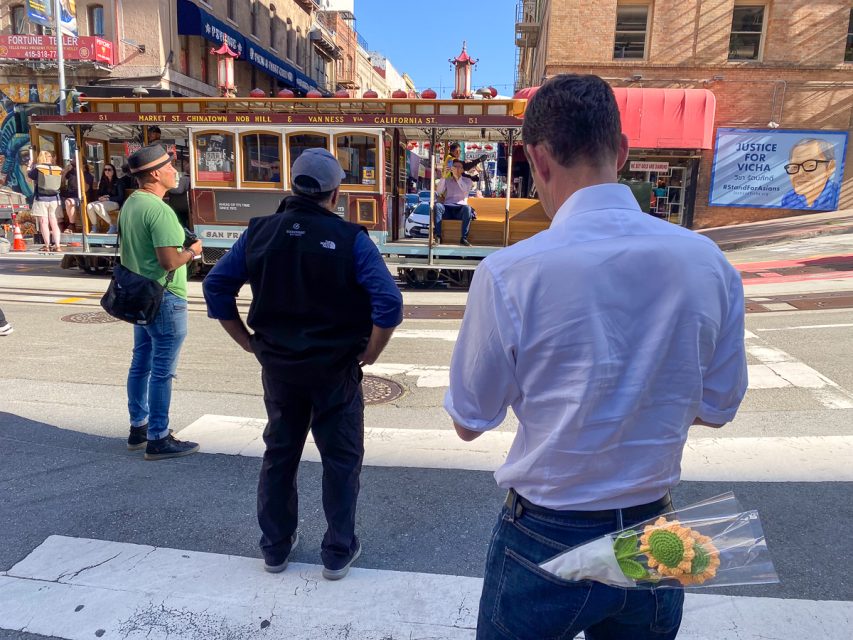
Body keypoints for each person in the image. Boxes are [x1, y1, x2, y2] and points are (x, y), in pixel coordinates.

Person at [445, 75, 748, 639]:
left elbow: (469, 421)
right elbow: (717, 409)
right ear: (622, 151)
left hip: (547, 530)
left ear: (538, 159)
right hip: (653, 533)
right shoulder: (708, 263)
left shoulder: (511, 273)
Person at [203, 148, 403, 580]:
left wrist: (247, 341)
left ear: (292, 187)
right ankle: (337, 551)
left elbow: (216, 286)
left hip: (279, 368)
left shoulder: (259, 232)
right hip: (335, 370)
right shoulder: (351, 239)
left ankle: (275, 548)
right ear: (336, 194)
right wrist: (371, 352)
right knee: (341, 459)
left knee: (280, 453)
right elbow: (388, 303)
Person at [121, 144, 203, 461]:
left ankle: (138, 428)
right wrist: (193, 251)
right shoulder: (160, 210)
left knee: (140, 362)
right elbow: (169, 261)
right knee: (162, 371)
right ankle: (158, 437)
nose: (175, 171)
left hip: (141, 296)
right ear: (156, 174)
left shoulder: (132, 203)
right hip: (166, 297)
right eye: (169, 166)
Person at [780, 138, 840, 210]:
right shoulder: (789, 198)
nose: (799, 173)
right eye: (794, 167)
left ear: (830, 167)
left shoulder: (839, 196)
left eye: (810, 165)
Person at [26, 150, 63, 251]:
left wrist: (29, 167)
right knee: (54, 223)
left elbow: (30, 176)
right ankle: (58, 246)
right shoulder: (58, 169)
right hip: (55, 199)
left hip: (41, 198)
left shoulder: (39, 168)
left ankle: (47, 245)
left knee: (43, 222)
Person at [434, 159, 474, 246]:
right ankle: (438, 236)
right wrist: (443, 177)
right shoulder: (447, 180)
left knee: (468, 208)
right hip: (448, 208)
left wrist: (457, 178)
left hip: (460, 209)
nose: (456, 169)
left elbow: (465, 190)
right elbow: (439, 191)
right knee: (437, 206)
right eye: (454, 167)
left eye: (459, 167)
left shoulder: (468, 180)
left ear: (463, 170)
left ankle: (464, 238)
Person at [86, 163, 125, 233]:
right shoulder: (103, 182)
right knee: (89, 206)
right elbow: (98, 194)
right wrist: (100, 198)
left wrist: (108, 199)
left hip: (115, 203)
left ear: (113, 171)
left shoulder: (119, 182)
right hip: (104, 202)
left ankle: (112, 225)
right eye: (105, 170)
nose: (107, 171)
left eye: (109, 169)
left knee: (98, 206)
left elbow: (121, 197)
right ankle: (95, 227)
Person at [62, 160, 94, 233]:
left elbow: (86, 189)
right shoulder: (71, 173)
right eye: (73, 166)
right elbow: (62, 182)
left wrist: (80, 175)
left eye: (75, 166)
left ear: (83, 165)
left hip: (81, 198)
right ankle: (61, 225)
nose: (74, 168)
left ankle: (72, 225)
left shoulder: (88, 175)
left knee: (69, 202)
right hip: (68, 195)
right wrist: (66, 171)